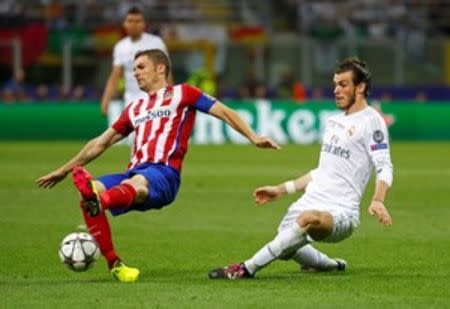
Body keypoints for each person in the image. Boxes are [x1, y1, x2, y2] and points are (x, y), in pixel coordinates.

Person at [36, 49, 280, 283]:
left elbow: (225, 112)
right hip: (134, 171)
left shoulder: (183, 93)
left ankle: (102, 200)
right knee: (93, 190)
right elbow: (100, 143)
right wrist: (63, 170)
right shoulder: (135, 109)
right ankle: (115, 264)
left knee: (133, 185)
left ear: (160, 68)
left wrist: (254, 136)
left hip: (164, 173)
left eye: (141, 67)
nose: (135, 73)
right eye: (133, 69)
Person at [208, 57, 394, 279]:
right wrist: (281, 189)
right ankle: (330, 265)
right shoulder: (334, 122)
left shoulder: (372, 121)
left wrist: (378, 199)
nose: (336, 90)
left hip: (340, 212)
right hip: (311, 200)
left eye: (343, 84)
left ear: (361, 87)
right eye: (335, 84)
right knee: (286, 245)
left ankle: (246, 268)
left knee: (307, 220)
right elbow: (322, 172)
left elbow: (384, 166)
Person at [100, 6, 170, 143]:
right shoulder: (121, 47)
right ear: (124, 24)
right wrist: (106, 100)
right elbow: (115, 76)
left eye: (138, 21)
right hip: (132, 98)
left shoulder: (156, 42)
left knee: (154, 135)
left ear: (144, 24)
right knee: (136, 138)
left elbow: (166, 71)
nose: (134, 24)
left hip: (155, 95)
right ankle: (141, 164)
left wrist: (170, 93)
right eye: (130, 21)